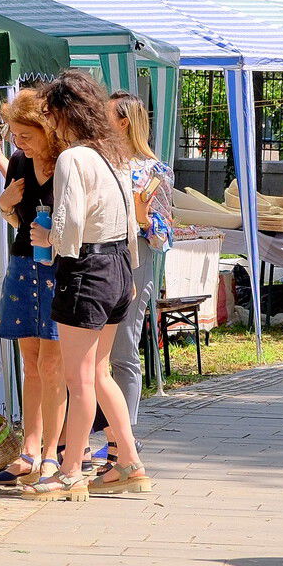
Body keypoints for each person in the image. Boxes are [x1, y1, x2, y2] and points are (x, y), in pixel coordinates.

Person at [25, 71, 151, 500]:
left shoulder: (73, 159)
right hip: (118, 266)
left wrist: (49, 241)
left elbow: (71, 220)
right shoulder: (115, 155)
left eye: (49, 114)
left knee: (78, 378)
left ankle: (71, 470)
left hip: (87, 269)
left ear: (62, 114)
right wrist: (130, 273)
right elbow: (131, 222)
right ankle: (130, 462)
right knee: (100, 373)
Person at [0, 89, 64, 487]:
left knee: (52, 366)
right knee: (30, 364)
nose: (19, 143)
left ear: (48, 130)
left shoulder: (68, 163)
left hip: (61, 270)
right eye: (15, 135)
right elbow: (19, 225)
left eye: (25, 135)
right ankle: (28, 452)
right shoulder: (17, 161)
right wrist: (5, 208)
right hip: (23, 264)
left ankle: (52, 454)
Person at [107, 91, 173, 425]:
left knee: (122, 349)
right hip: (98, 260)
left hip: (136, 261)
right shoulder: (99, 162)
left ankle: (125, 436)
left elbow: (163, 237)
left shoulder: (153, 171)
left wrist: (144, 218)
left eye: (107, 116)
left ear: (125, 122)